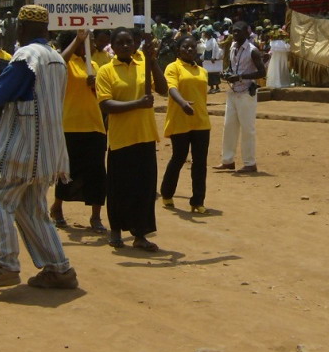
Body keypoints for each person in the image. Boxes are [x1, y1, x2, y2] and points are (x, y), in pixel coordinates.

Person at [0, 4, 78, 290]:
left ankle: (4, 263)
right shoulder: (56, 57)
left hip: (23, 146)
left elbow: (0, 95)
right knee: (31, 209)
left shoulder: (26, 55)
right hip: (49, 148)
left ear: (22, 28)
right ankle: (59, 268)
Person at [95, 27, 166, 252]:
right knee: (119, 188)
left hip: (144, 135)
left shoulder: (143, 64)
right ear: (113, 47)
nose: (126, 46)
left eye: (129, 42)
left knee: (144, 188)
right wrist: (137, 104)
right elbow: (106, 105)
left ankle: (140, 234)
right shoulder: (106, 71)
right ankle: (116, 230)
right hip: (121, 138)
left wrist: (153, 62)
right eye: (120, 42)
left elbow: (163, 89)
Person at [49, 30, 107, 233]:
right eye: (88, 41)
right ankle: (57, 208)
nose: (91, 44)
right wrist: (77, 40)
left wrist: (94, 86)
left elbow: (102, 96)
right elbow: (59, 62)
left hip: (95, 125)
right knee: (67, 172)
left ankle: (96, 216)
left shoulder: (95, 65)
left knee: (97, 172)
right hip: (70, 126)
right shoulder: (67, 62)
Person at [160, 36, 212, 214]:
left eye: (192, 47)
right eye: (185, 47)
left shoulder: (202, 71)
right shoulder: (172, 68)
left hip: (201, 121)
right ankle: (166, 193)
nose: (189, 50)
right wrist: (182, 103)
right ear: (178, 50)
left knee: (200, 162)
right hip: (180, 120)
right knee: (179, 158)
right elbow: (171, 88)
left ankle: (198, 201)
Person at [213, 21, 266, 173]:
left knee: (247, 128)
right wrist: (227, 73)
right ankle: (228, 161)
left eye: (238, 32)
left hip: (246, 93)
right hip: (233, 92)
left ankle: (250, 163)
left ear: (246, 33)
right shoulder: (232, 48)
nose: (235, 34)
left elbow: (262, 72)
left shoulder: (252, 51)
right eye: (233, 32)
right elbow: (232, 66)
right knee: (229, 126)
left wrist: (241, 77)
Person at [202, 27, 223, 93]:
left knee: (214, 72)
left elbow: (214, 49)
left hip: (211, 57)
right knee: (209, 73)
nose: (204, 34)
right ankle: (211, 87)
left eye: (205, 33)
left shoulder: (213, 40)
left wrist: (213, 57)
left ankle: (217, 87)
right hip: (207, 57)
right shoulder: (206, 40)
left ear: (208, 34)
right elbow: (205, 49)